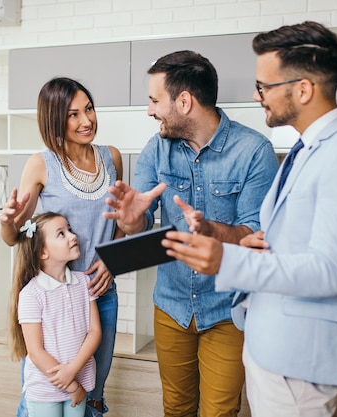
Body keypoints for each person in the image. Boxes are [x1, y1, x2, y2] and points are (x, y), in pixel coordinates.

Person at [161, 22, 337, 417]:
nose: (256, 95)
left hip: (300, 358)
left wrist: (225, 259)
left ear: (302, 89)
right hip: (272, 345)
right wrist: (257, 241)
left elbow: (330, 270)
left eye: (264, 86)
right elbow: (299, 237)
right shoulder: (308, 149)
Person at [103, 50, 279, 416]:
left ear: (184, 101)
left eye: (154, 100)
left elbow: (258, 234)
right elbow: (138, 223)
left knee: (220, 412)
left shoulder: (254, 151)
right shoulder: (155, 150)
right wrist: (131, 219)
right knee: (177, 409)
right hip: (171, 306)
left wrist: (212, 230)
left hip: (227, 310)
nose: (150, 110)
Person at [0, 77, 124, 417]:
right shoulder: (42, 164)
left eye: (89, 109)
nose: (86, 121)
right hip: (53, 298)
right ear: (54, 120)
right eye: (73, 115)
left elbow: (117, 227)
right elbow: (18, 238)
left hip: (99, 294)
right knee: (45, 390)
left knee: (92, 392)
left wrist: (113, 262)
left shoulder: (111, 158)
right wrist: (7, 221)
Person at [9, 212, 101, 417]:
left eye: (69, 229)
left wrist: (73, 373)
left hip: (78, 382)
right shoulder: (32, 294)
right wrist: (71, 385)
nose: (72, 236)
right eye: (61, 233)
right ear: (42, 252)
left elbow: (95, 331)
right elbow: (35, 352)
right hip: (44, 389)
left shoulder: (84, 282)